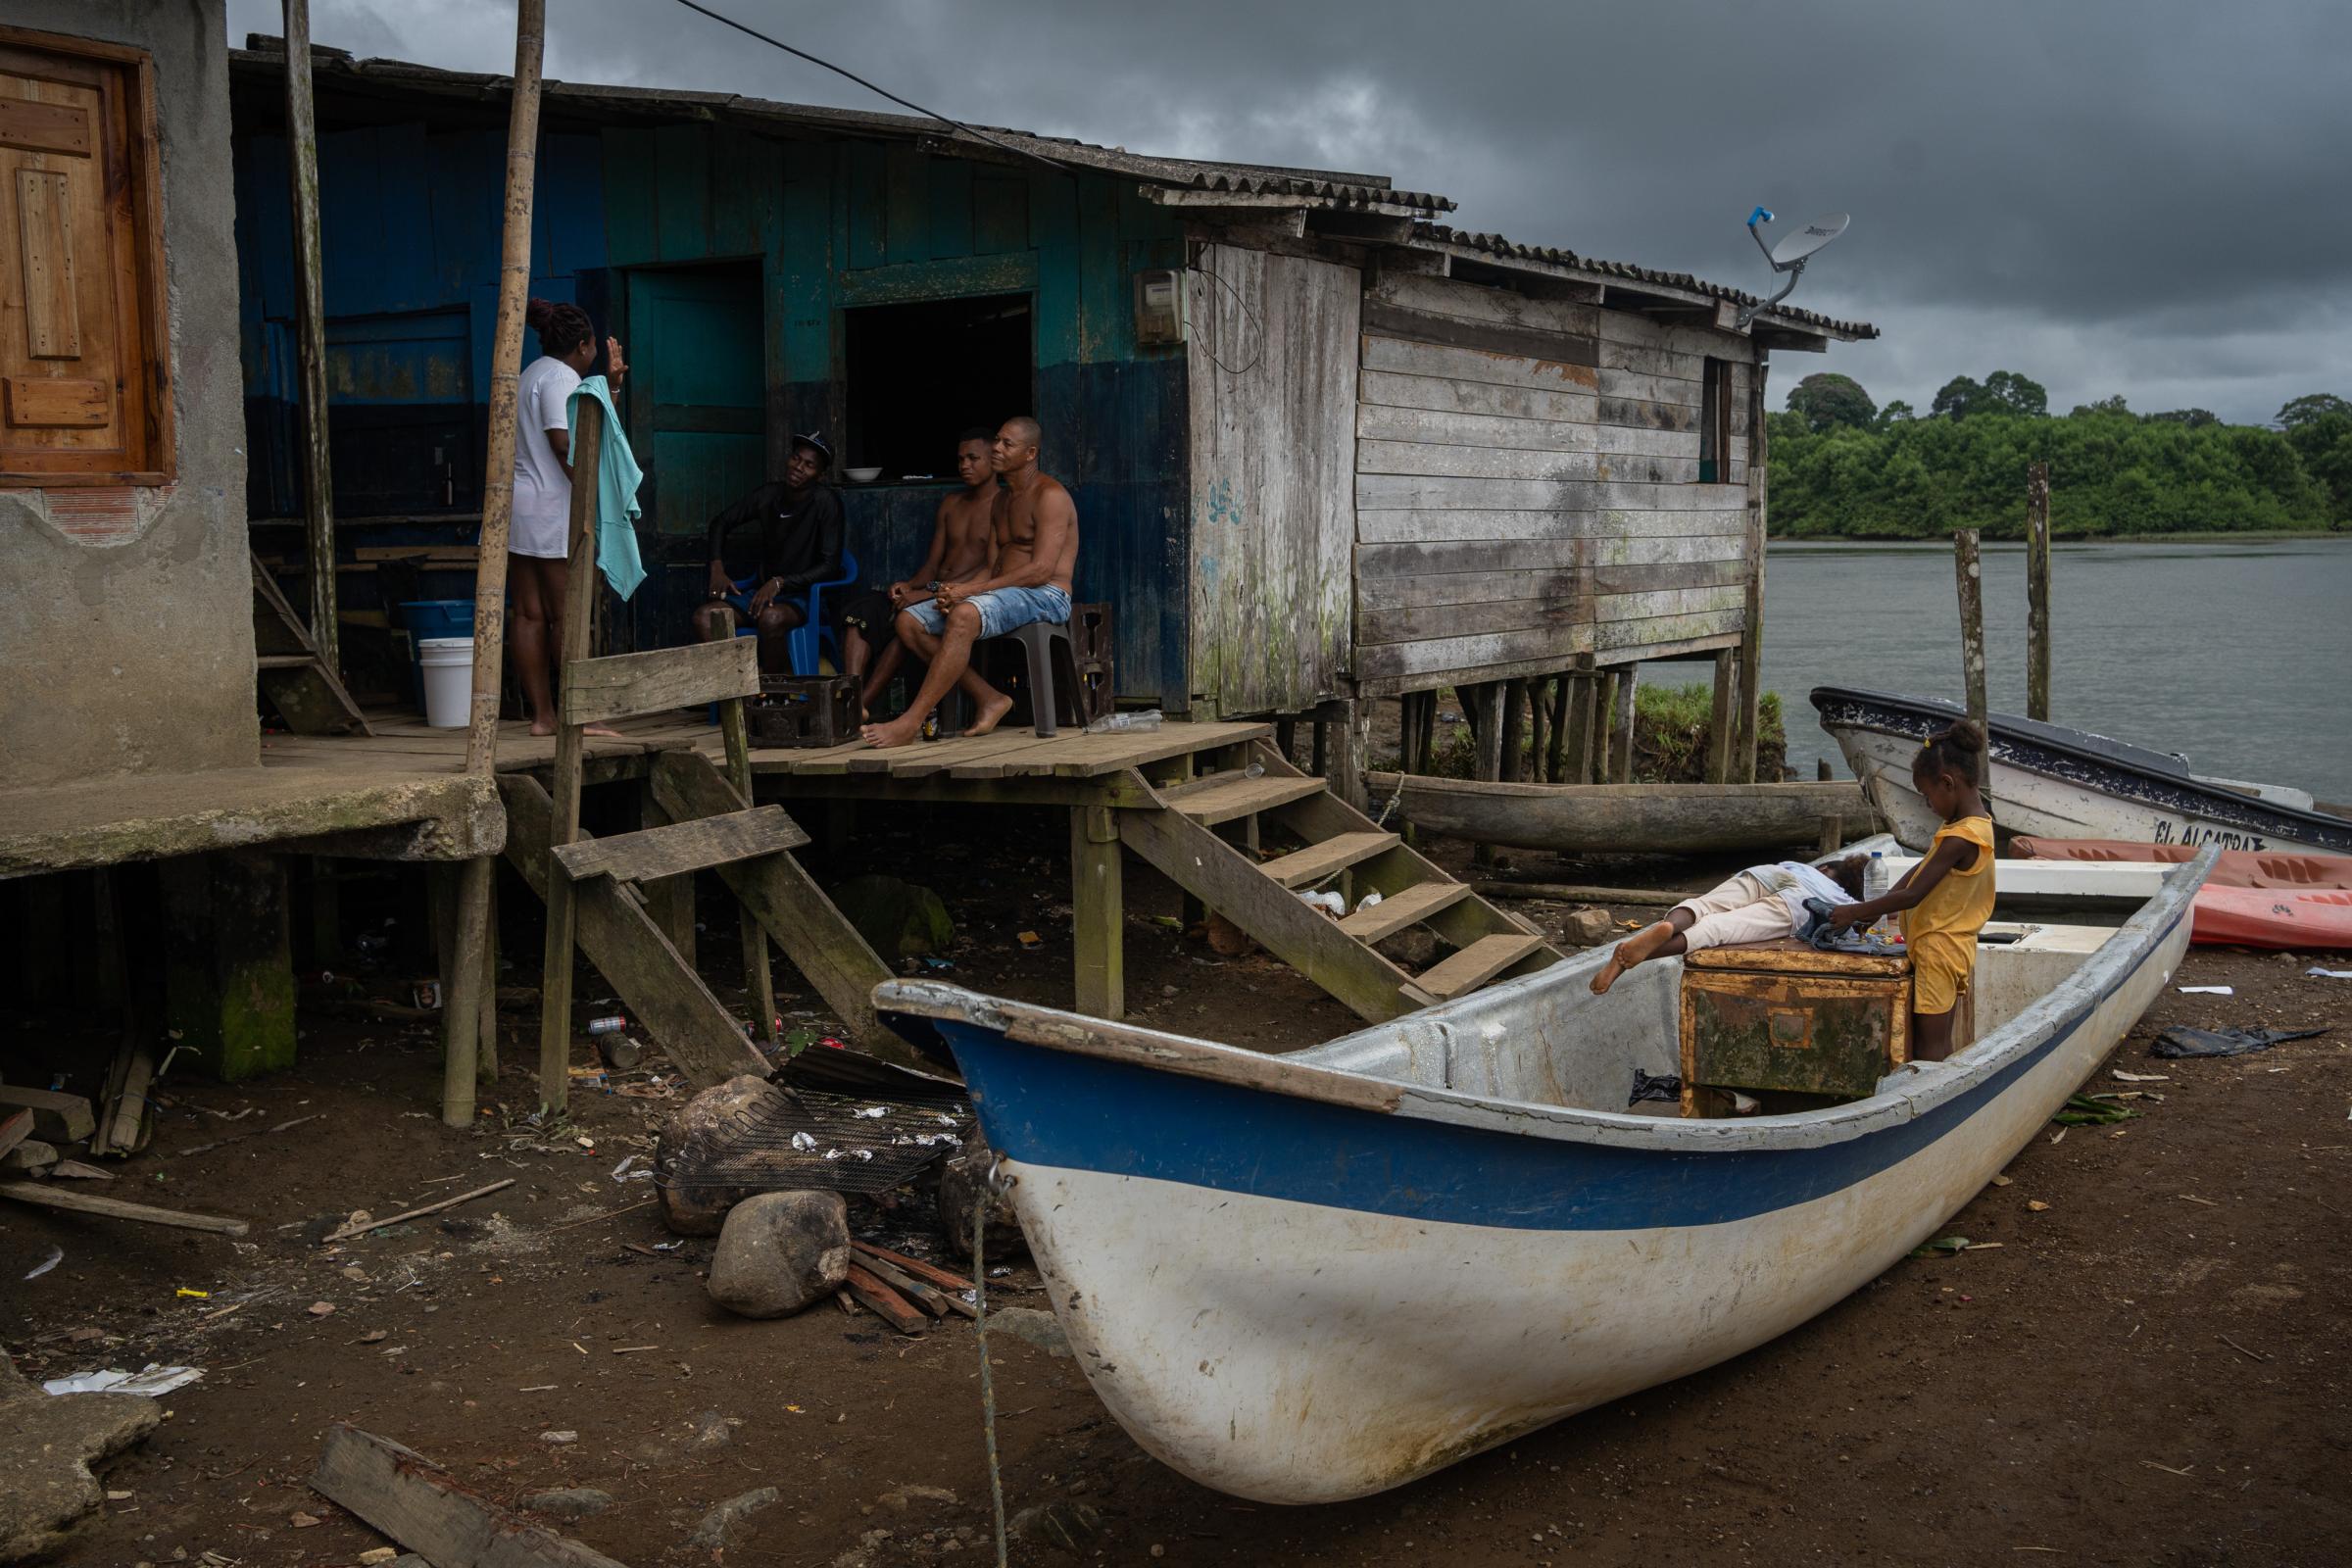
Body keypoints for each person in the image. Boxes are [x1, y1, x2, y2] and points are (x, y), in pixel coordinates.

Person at [858, 416, 1077, 749]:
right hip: (1003, 593)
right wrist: (951, 593)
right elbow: (992, 567)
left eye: (1007, 444)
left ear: (1031, 453)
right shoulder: (1002, 501)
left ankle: (910, 722)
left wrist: (969, 592)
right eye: (997, 441)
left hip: (1046, 595)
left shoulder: (1050, 495)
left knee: (963, 615)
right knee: (909, 621)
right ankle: (988, 697)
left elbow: (1041, 571)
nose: (997, 449)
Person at [1820, 719, 1997, 1061]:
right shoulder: (1973, 824)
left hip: (1938, 948)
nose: (1928, 805)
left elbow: (1914, 895)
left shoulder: (1961, 836)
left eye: (1928, 796)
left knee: (1930, 1047)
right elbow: (1920, 872)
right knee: (1938, 1037)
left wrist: (1853, 912)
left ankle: (1931, 1103)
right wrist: (1875, 912)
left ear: (1948, 783)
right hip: (1950, 946)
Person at [511, 298, 626, 737]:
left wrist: (612, 388)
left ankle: (543, 717)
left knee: (528, 614)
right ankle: (585, 715)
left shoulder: (530, 374)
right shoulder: (561, 377)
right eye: (595, 343)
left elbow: (587, 429)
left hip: (521, 506)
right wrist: (597, 495)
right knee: (569, 615)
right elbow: (565, 443)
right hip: (554, 508)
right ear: (583, 345)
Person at [838, 428, 1000, 719]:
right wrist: (908, 585)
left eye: (974, 458)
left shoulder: (1001, 507)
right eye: (961, 459)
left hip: (962, 596)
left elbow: (989, 570)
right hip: (931, 589)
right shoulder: (951, 503)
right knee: (862, 613)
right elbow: (933, 563)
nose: (965, 465)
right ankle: (854, 702)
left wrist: (926, 593)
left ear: (994, 460)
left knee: (907, 624)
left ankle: (855, 711)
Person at [1590, 854, 1869, 997]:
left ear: (1825, 869)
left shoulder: (1801, 866)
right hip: (1797, 903)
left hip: (1770, 874)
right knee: (1718, 928)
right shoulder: (1842, 898)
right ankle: (1634, 957)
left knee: (1705, 904)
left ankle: (1670, 925)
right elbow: (1866, 917)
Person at [692, 434, 844, 673]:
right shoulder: (769, 495)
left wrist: (781, 583)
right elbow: (720, 522)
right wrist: (717, 567)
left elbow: (830, 565)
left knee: (770, 619)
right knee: (705, 617)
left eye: (809, 465)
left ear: (820, 475)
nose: (798, 467)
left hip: (804, 597)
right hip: (760, 594)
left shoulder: (826, 502)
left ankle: (776, 692)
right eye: (796, 458)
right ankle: (738, 685)